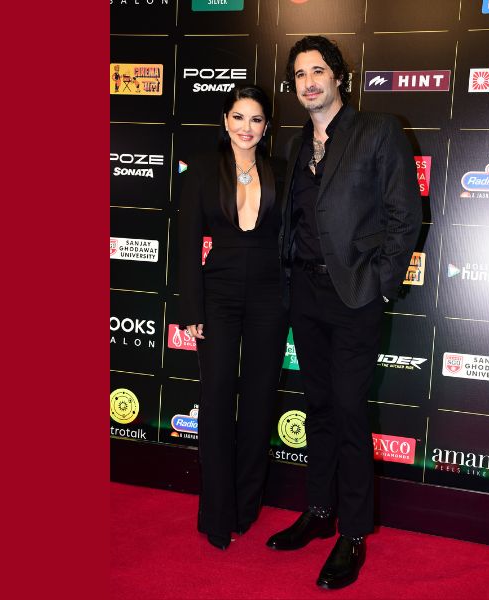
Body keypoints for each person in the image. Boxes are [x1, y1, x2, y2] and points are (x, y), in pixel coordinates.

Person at [265, 36, 422, 589]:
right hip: (304, 296)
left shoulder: (377, 130)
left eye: (318, 71)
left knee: (351, 411)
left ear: (339, 77)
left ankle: (353, 533)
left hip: (355, 295)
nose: (309, 82)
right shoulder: (294, 145)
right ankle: (319, 509)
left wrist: (380, 285)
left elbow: (405, 214)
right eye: (299, 74)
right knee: (318, 407)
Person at [177, 84, 287, 551]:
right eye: (238, 117)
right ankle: (217, 513)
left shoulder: (281, 171)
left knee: (259, 401)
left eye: (256, 119)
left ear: (266, 127)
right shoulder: (203, 168)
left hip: (270, 295)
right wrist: (191, 307)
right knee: (217, 397)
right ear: (225, 121)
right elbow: (186, 240)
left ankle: (246, 506)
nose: (247, 127)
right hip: (217, 293)